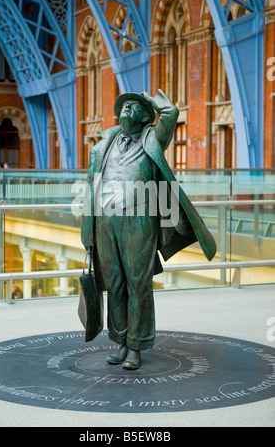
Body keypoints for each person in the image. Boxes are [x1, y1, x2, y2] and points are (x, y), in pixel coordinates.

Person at [81, 89, 216, 370]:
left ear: (145, 117)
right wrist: (88, 231)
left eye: (135, 106)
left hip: (139, 221)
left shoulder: (152, 137)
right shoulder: (102, 146)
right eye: (125, 106)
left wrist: (150, 99)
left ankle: (136, 345)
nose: (129, 109)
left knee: (138, 284)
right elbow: (89, 189)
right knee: (114, 284)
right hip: (105, 222)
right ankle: (119, 341)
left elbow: (171, 113)